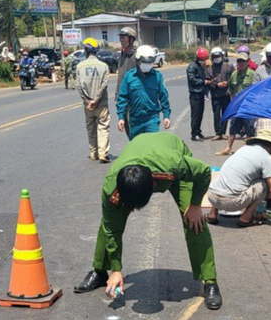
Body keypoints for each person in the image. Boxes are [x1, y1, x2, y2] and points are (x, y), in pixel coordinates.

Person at [73, 132, 222, 310]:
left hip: (170, 154)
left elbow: (204, 172)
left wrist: (196, 205)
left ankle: (210, 281)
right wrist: (116, 270)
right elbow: (112, 230)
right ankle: (100, 272)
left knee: (194, 221)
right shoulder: (111, 187)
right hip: (140, 156)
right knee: (109, 223)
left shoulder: (173, 163)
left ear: (153, 186)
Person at [207, 129, 271, 227]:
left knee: (227, 178)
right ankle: (246, 218)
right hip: (232, 203)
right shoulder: (266, 158)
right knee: (264, 185)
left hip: (212, 197)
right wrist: (270, 196)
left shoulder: (243, 149)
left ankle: (212, 214)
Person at [116, 45, 171, 140]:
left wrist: (166, 116)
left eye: (150, 63)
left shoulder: (157, 76)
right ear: (137, 61)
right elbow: (122, 98)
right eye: (145, 62)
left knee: (152, 149)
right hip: (135, 120)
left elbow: (163, 96)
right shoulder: (129, 77)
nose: (148, 65)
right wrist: (121, 117)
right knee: (137, 149)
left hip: (152, 119)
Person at [76, 37, 111, 163]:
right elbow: (104, 85)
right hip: (101, 104)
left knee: (90, 128)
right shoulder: (104, 66)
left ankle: (93, 153)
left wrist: (87, 101)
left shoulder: (80, 66)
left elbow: (79, 86)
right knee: (103, 127)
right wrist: (96, 100)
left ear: (86, 50)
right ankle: (103, 153)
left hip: (88, 105)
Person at [216, 52, 257, 156]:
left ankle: (251, 151)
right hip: (237, 106)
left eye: (243, 61)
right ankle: (228, 148)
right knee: (233, 128)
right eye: (239, 61)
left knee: (250, 129)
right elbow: (231, 90)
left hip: (248, 107)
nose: (241, 63)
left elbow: (256, 91)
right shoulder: (234, 75)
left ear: (248, 62)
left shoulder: (253, 74)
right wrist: (233, 104)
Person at [206, 47, 233, 141]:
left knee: (225, 114)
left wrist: (227, 83)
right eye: (215, 57)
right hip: (215, 96)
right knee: (216, 114)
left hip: (226, 95)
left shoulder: (229, 67)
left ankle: (223, 132)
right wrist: (217, 85)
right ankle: (218, 132)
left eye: (218, 56)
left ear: (222, 56)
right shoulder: (209, 70)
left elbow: (233, 79)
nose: (217, 58)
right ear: (212, 58)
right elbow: (208, 83)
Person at [187, 47, 210, 141]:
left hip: (200, 93)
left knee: (200, 114)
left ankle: (198, 131)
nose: (203, 61)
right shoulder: (192, 66)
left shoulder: (200, 66)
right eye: (202, 59)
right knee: (195, 115)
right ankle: (194, 133)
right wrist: (203, 82)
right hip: (195, 94)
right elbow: (192, 79)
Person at [115, 27, 137, 99]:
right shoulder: (122, 55)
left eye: (124, 38)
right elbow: (120, 77)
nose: (121, 40)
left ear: (131, 39)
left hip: (134, 96)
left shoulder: (137, 55)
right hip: (122, 96)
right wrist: (117, 95)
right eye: (120, 38)